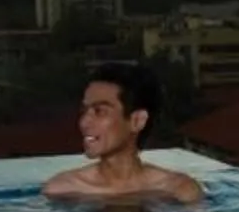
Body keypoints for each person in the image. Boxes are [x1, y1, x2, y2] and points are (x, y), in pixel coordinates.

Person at [41, 62, 205, 204]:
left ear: (137, 121)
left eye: (99, 111)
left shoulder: (179, 190)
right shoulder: (62, 190)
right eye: (84, 111)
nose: (84, 122)